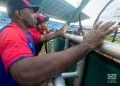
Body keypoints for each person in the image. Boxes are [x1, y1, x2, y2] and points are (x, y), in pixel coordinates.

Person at [0, 0, 119, 86]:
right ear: (19, 14)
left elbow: (43, 38)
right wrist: (87, 44)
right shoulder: (11, 34)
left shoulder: (27, 33)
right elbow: (24, 73)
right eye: (32, 12)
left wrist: (60, 32)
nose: (35, 16)